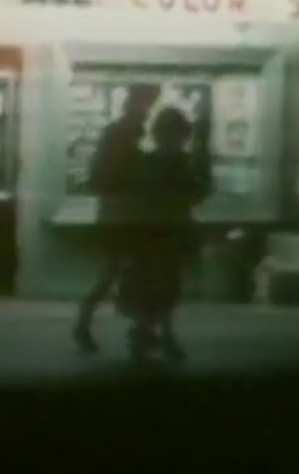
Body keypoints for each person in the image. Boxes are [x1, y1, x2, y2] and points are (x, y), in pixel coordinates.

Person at [73, 84, 160, 353]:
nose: (146, 116)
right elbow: (111, 178)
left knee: (115, 273)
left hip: (119, 215)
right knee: (116, 273)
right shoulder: (122, 139)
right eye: (145, 108)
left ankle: (134, 327)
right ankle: (91, 325)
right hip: (123, 217)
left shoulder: (120, 137)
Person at [117, 107, 207, 362]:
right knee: (165, 288)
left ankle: (150, 334)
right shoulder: (178, 163)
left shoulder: (145, 162)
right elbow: (196, 193)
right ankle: (152, 334)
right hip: (170, 233)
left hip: (146, 233)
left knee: (149, 286)